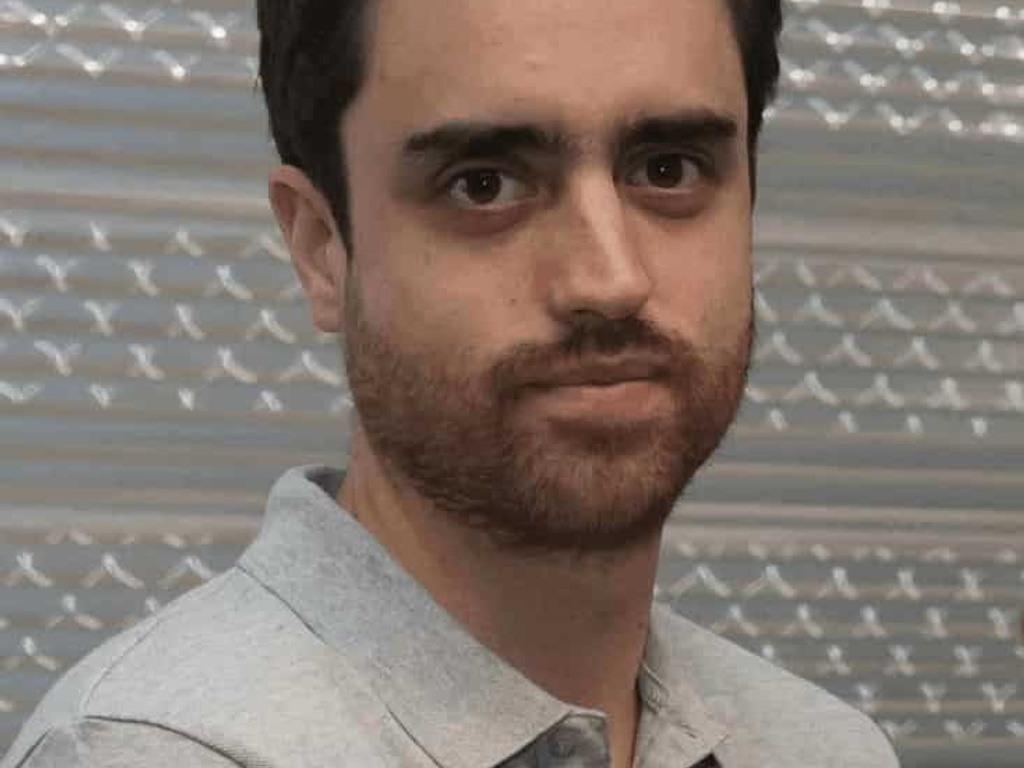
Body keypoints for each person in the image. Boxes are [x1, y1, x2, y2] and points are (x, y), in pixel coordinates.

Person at [2, 1, 902, 766]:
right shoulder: (152, 750)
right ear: (321, 249)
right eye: (484, 184)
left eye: (668, 169)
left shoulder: (821, 746)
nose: (609, 278)